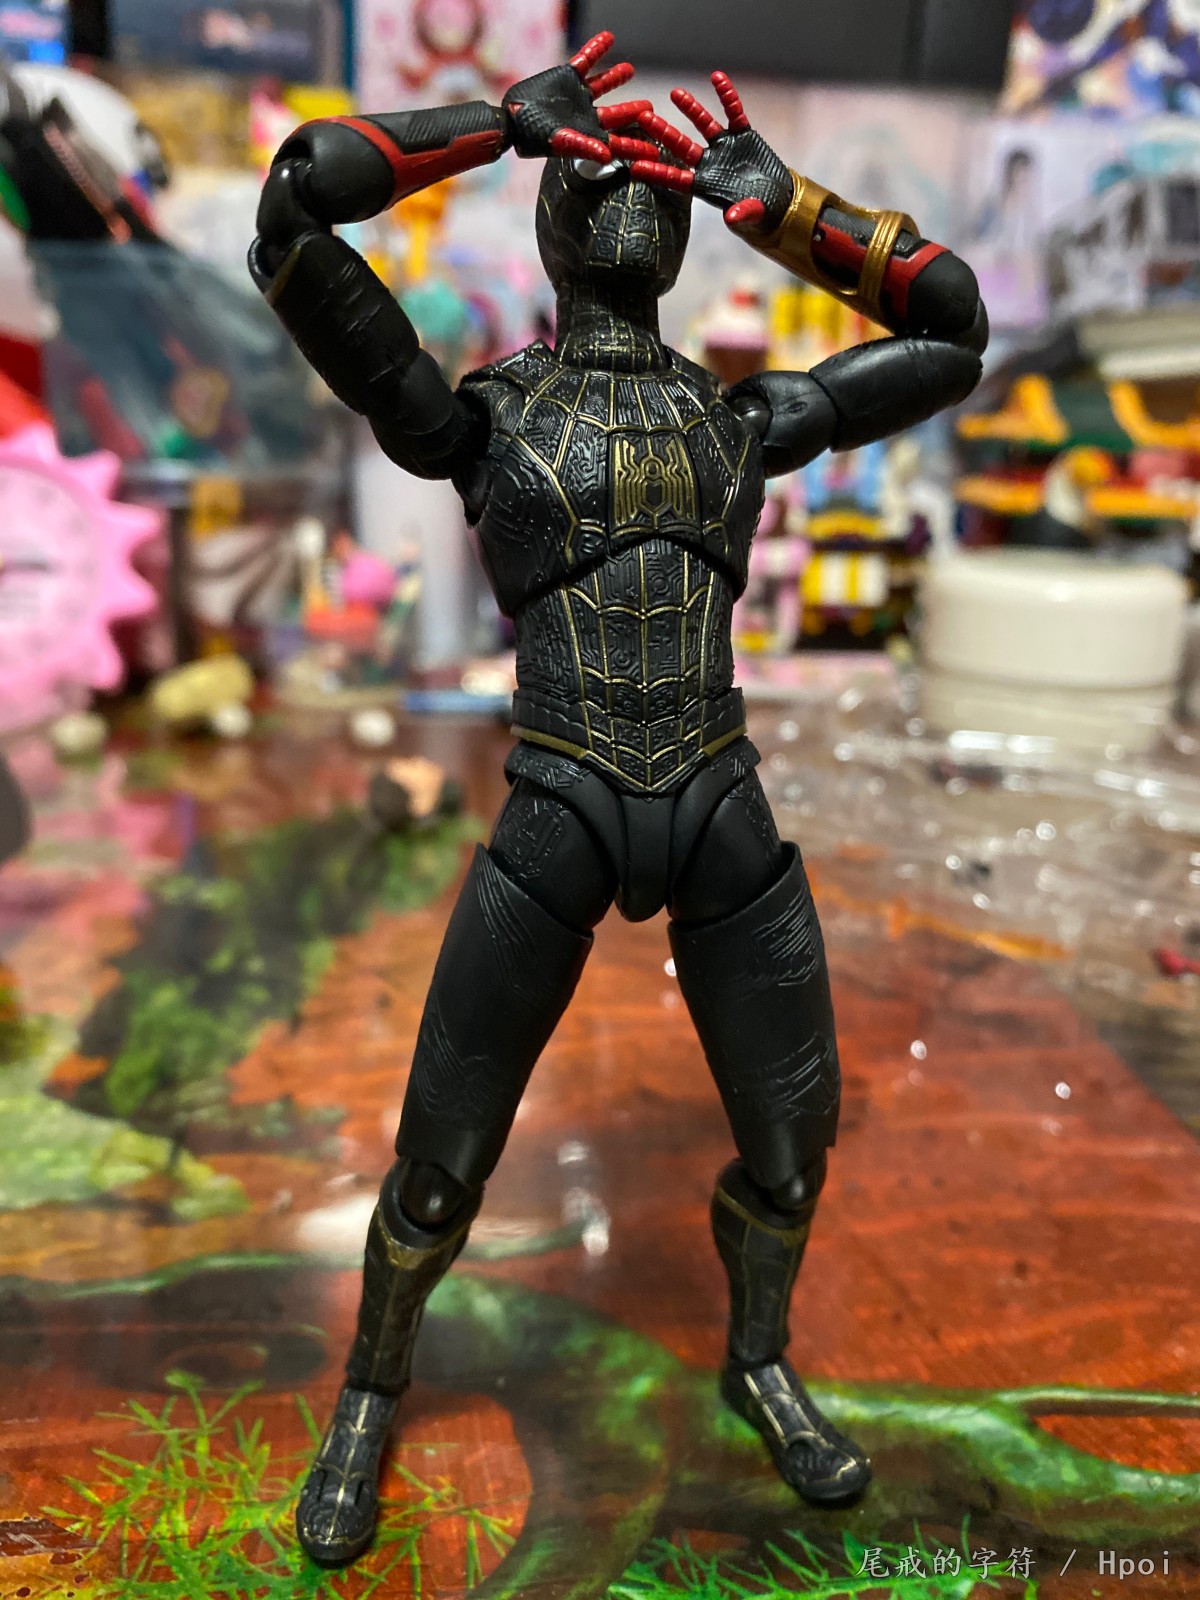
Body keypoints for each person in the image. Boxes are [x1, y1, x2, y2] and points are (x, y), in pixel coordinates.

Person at [249, 34, 987, 1568]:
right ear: (550, 213)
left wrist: (790, 205)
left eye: (638, 170)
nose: (621, 186)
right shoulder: (485, 420)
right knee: (440, 1161)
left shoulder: (739, 419)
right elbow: (295, 211)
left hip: (719, 801)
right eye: (590, 168)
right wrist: (497, 123)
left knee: (793, 1147)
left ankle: (761, 1358)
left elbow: (952, 330)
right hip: (558, 803)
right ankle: (372, 1391)